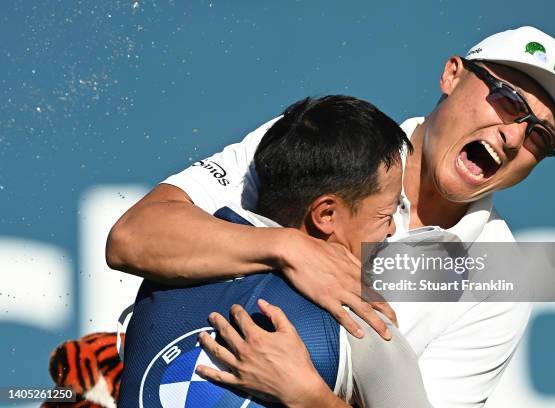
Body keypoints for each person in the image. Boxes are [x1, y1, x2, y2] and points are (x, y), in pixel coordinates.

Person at [107, 26, 555, 407]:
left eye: (538, 138)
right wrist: (290, 250)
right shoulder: (330, 136)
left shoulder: (499, 276)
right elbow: (132, 238)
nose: (512, 136)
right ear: (451, 75)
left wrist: (310, 398)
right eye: (508, 101)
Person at [117, 95, 430, 408]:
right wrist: (314, 400)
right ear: (326, 215)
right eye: (386, 213)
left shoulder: (166, 266)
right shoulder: (361, 327)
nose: (391, 229)